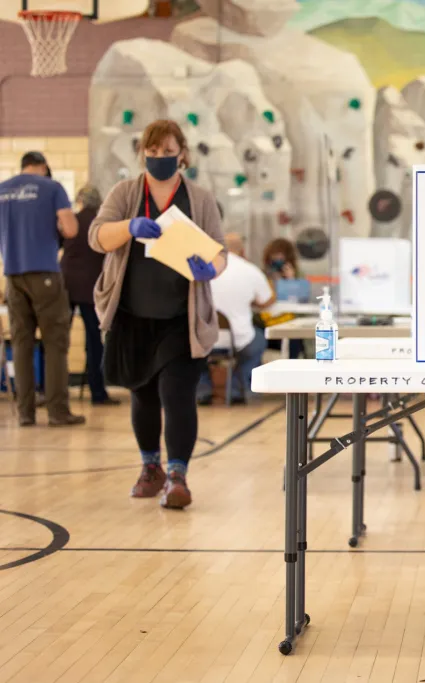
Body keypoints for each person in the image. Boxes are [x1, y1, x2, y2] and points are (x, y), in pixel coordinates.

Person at [89, 119, 226, 510]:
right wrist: (129, 227)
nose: (162, 159)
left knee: (177, 393)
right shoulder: (126, 192)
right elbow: (96, 237)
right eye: (154, 153)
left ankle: (178, 474)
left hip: (180, 318)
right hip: (132, 315)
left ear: (182, 153)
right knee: (143, 394)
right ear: (142, 154)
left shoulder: (199, 198)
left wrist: (210, 269)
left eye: (169, 152)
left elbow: (219, 252)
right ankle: (151, 468)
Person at [0, 151, 85, 427]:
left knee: (22, 344)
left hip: (13, 275)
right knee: (55, 344)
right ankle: (58, 411)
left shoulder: (3, 190)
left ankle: (25, 413)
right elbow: (71, 229)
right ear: (44, 167)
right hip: (45, 273)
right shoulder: (52, 188)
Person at [198, 232, 275, 405]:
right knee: (258, 341)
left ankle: (202, 390)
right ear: (242, 251)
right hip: (239, 340)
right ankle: (239, 388)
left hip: (204, 339)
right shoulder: (250, 270)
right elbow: (267, 300)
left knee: (195, 354)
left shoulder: (202, 269)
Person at [61, 184, 119, 406]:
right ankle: (98, 393)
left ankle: (52, 392)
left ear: (80, 200)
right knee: (95, 343)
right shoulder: (102, 225)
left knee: (58, 341)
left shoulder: (71, 221)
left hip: (65, 286)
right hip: (91, 290)